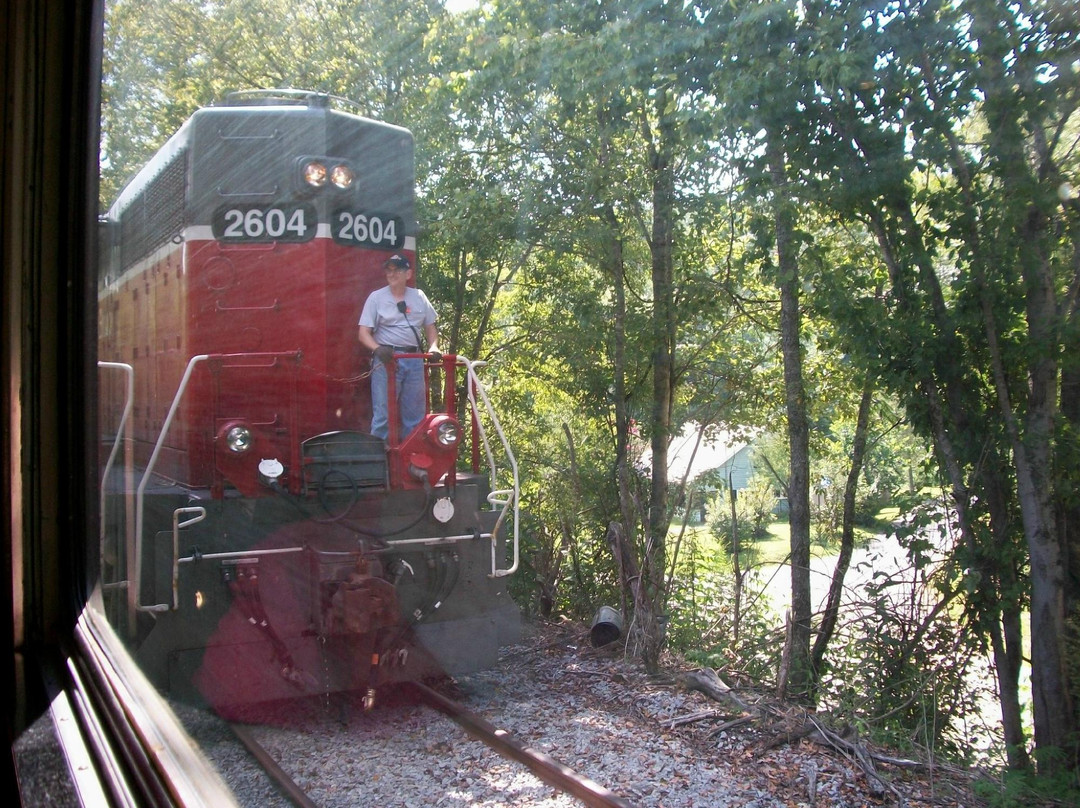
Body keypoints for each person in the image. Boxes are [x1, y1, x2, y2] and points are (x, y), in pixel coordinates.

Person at [357, 254, 441, 440]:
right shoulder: (376, 298)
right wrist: (378, 349)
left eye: (397, 270)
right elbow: (363, 333)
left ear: (408, 273)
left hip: (414, 360)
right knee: (383, 414)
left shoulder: (419, 296)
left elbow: (430, 327)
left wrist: (433, 348)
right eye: (389, 270)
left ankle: (413, 459)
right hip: (387, 360)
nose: (392, 274)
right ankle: (379, 461)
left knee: (415, 414)